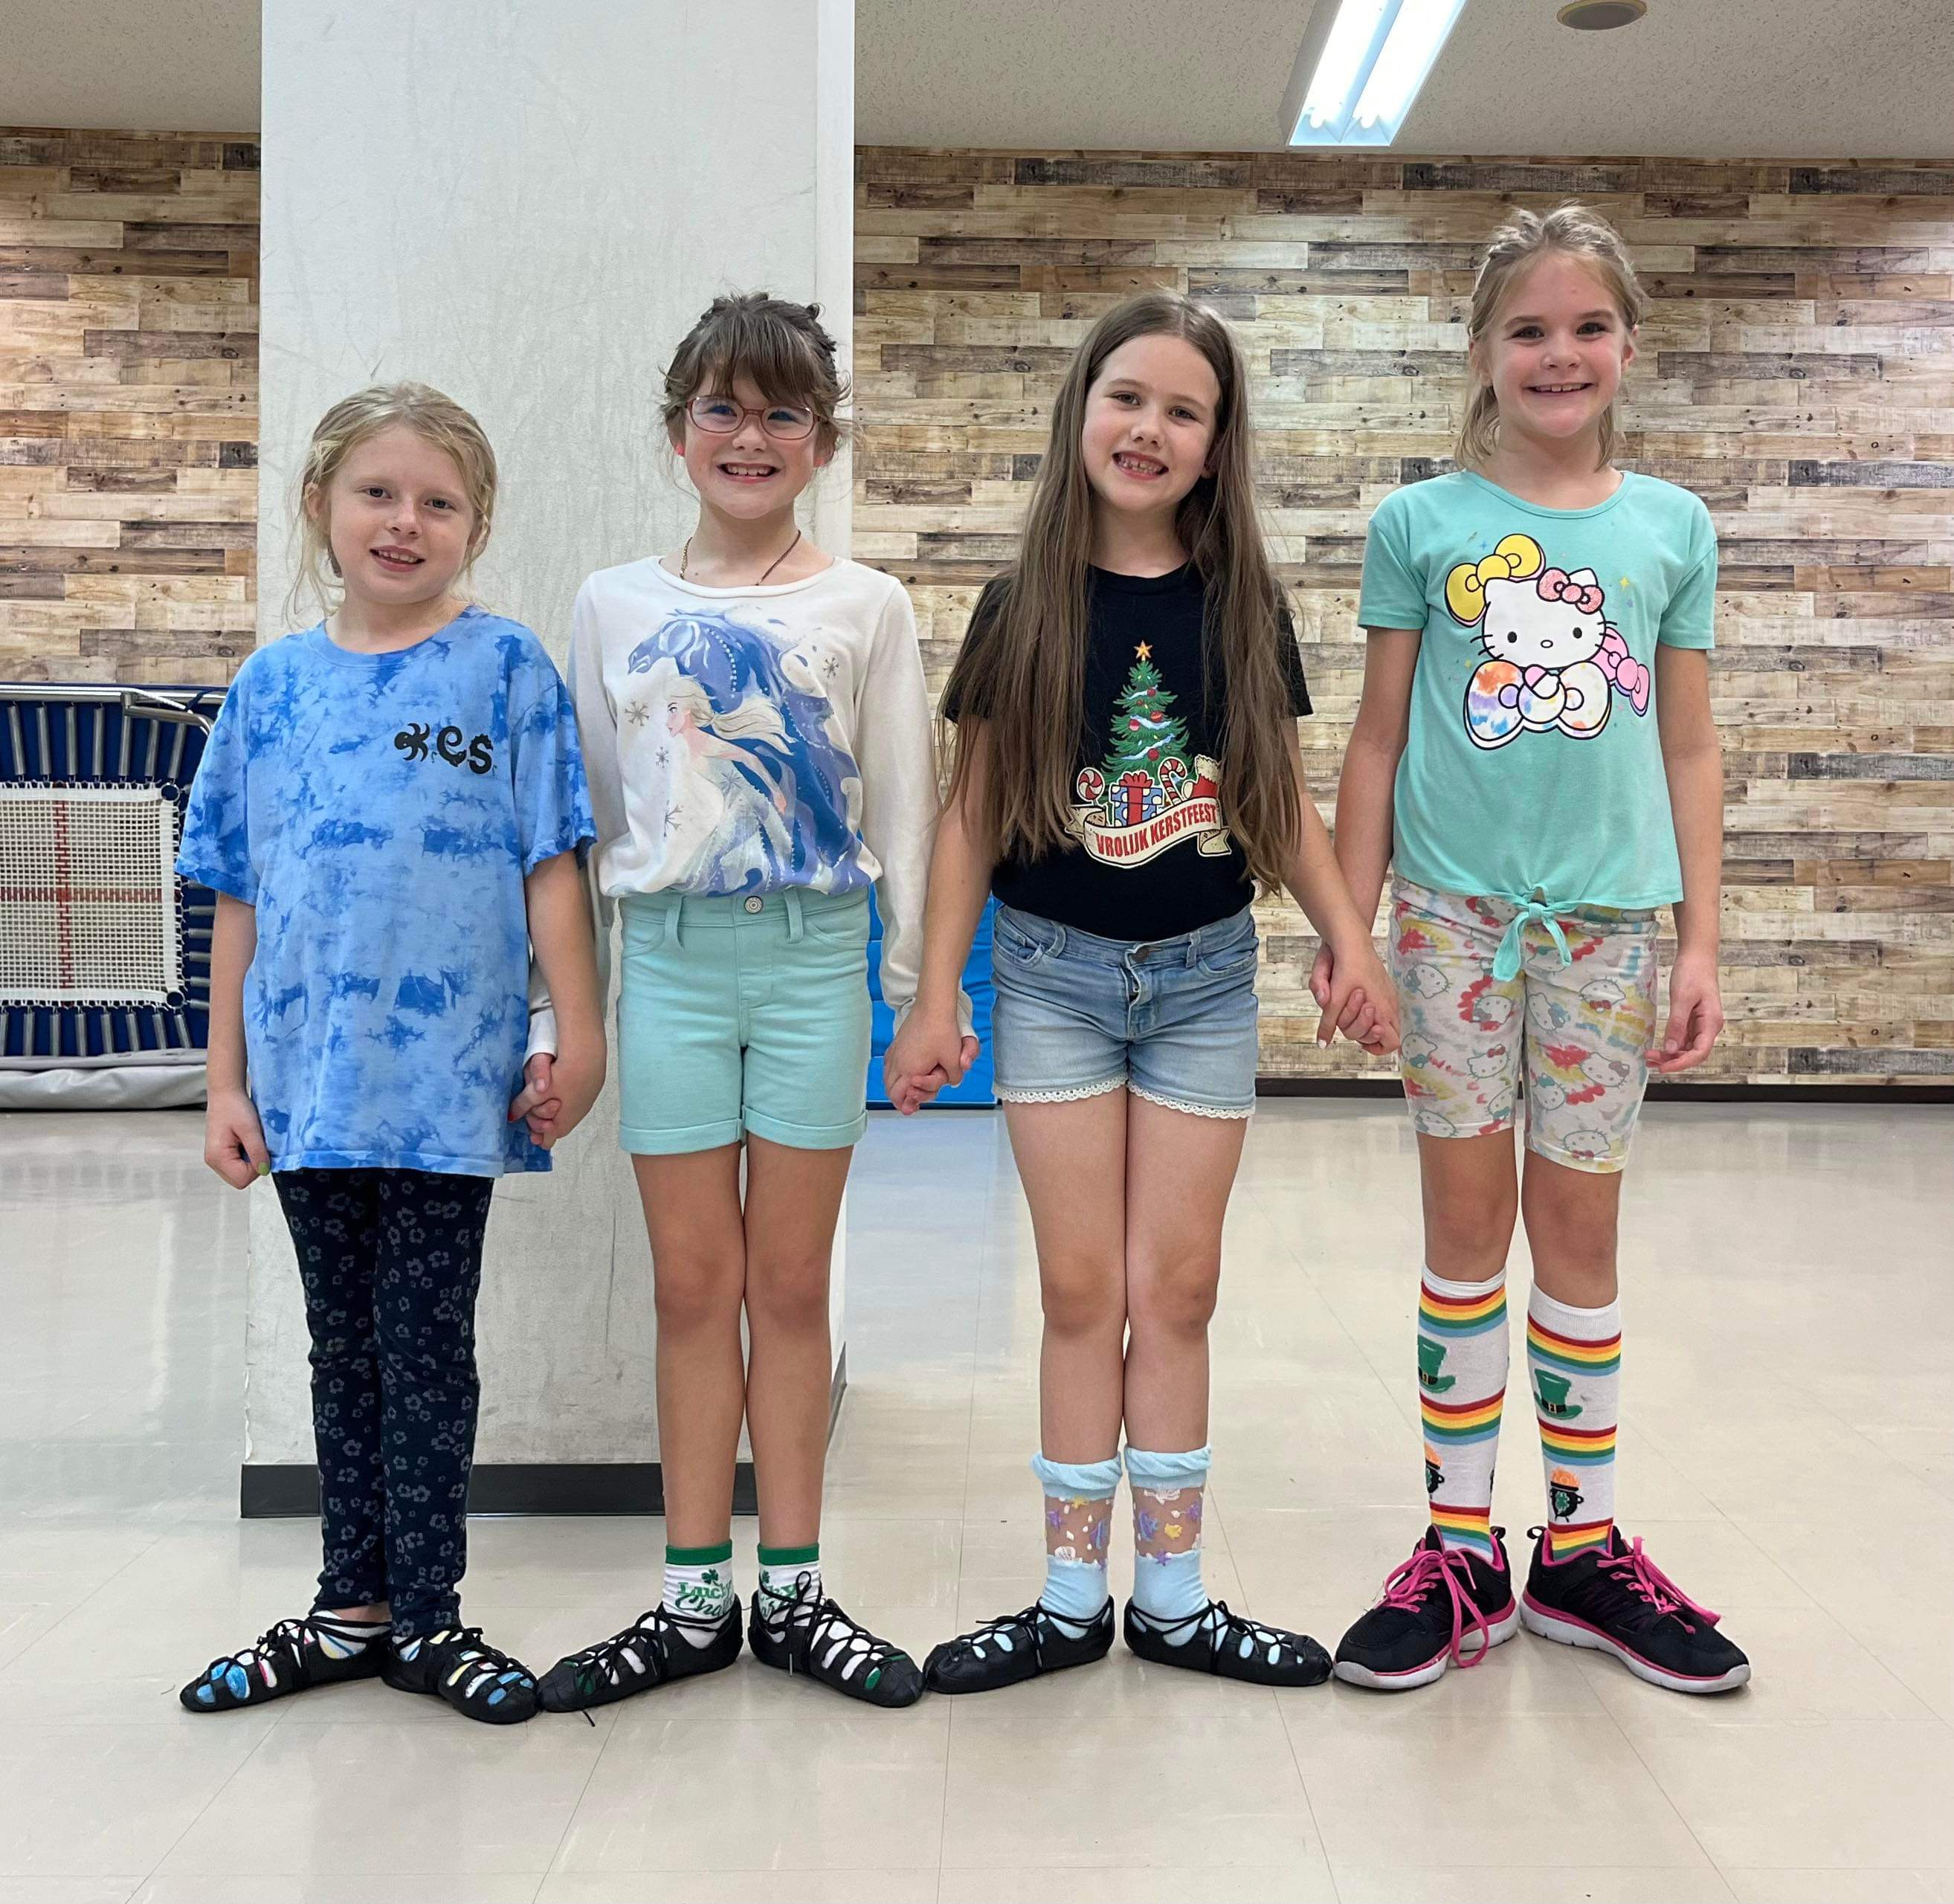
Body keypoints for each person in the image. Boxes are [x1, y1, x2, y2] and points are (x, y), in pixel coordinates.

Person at [889, 291, 1399, 1696]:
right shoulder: (1022, 605)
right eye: (1128, 396)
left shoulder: (1241, 608)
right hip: (1050, 976)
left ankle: (1171, 1597)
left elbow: (1278, 804)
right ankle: (1069, 1599)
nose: (1149, 428)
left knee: (1176, 1287)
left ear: (1217, 444)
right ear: (1082, 412)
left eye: (1185, 409)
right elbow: (971, 814)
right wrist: (933, 996)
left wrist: (1350, 940)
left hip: (1203, 984)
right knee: (1078, 1288)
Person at [1326, 205, 1750, 1695]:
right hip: (1451, 926)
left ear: (1628, 346)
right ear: (1481, 352)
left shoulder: (1672, 529)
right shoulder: (1420, 526)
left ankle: (1579, 1548)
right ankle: (1459, 1548)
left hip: (1612, 934)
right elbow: (1376, 742)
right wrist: (1352, 933)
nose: (1558, 354)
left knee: (1578, 1236)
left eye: (1586, 327)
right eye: (1528, 329)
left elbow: (1688, 746)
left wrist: (1701, 939)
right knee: (1463, 1235)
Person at [536, 294, 963, 1715]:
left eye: (784, 412)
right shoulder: (612, 603)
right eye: (722, 407)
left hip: (809, 960)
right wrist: (563, 1018)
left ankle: (793, 1590)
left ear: (822, 441)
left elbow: (905, 808)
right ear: (678, 432)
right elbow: (590, 827)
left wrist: (913, 992)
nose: (751, 436)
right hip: (664, 960)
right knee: (690, 1284)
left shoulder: (866, 604)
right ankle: (691, 1596)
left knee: (787, 1285)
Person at [176, 382, 604, 1724]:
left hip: (450, 1087)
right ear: (320, 504)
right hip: (309, 1085)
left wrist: (580, 1034)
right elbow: (236, 894)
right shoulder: (271, 688)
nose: (404, 521)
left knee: (424, 1347)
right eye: (377, 493)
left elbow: (552, 867)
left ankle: (428, 1617)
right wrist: (225, 1082)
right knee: (338, 1346)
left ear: (477, 525)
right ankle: (346, 1606)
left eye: (438, 502)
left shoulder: (508, 670)